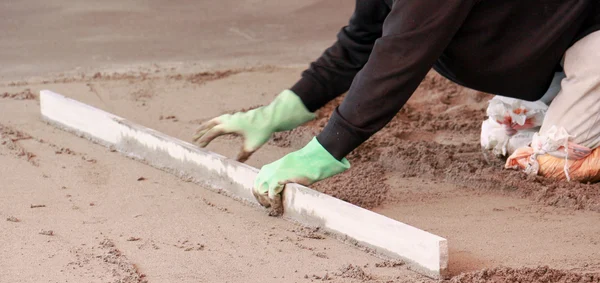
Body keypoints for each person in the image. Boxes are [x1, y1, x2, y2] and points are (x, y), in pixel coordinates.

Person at [193, 0, 600, 215]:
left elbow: (401, 55)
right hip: (547, 41)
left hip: (591, 38)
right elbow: (362, 40)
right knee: (505, 136)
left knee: (554, 161)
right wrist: (279, 112)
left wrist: (325, 151)